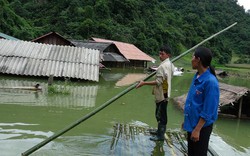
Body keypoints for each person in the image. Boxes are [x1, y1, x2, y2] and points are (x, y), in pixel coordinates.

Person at [182, 47, 220, 156]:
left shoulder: (210, 82)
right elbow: (193, 102)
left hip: (201, 128)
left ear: (198, 59)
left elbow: (208, 110)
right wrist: (187, 121)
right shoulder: (197, 76)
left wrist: (197, 130)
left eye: (192, 57)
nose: (191, 59)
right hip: (192, 124)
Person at [136, 45, 175, 141]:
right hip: (166, 92)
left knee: (161, 115)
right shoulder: (171, 64)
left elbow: (158, 82)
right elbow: (171, 76)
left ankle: (160, 136)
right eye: (159, 53)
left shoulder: (162, 66)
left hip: (162, 94)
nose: (160, 55)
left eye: (162, 54)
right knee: (161, 113)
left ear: (168, 55)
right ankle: (159, 131)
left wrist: (144, 83)